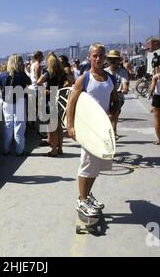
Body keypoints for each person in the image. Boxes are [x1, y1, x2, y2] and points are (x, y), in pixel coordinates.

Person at [67, 43, 119, 217]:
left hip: (102, 128)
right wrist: (70, 125)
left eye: (101, 56)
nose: (98, 59)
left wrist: (113, 120)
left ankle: (87, 195)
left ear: (105, 58)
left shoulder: (111, 79)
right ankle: (81, 201)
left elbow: (114, 100)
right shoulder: (84, 78)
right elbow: (71, 103)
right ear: (89, 57)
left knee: (96, 166)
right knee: (87, 164)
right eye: (94, 55)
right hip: (87, 128)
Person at [0, 54, 31, 156]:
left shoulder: (3, 75)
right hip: (20, 100)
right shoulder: (21, 74)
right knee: (19, 126)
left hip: (7, 101)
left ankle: (6, 149)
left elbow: (0, 87)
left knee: (8, 125)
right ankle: (19, 150)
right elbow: (29, 82)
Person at [37, 53, 68, 157]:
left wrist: (46, 90)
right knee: (59, 126)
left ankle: (54, 150)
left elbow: (39, 82)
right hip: (61, 100)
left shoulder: (48, 72)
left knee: (53, 126)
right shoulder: (62, 72)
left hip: (51, 100)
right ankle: (60, 148)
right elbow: (69, 82)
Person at [104, 50, 129, 140]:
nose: (113, 61)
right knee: (107, 116)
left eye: (115, 59)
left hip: (118, 97)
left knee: (115, 113)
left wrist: (125, 89)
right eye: (110, 59)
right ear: (108, 60)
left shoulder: (122, 72)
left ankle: (113, 132)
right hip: (106, 97)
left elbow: (124, 82)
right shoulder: (104, 72)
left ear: (119, 60)